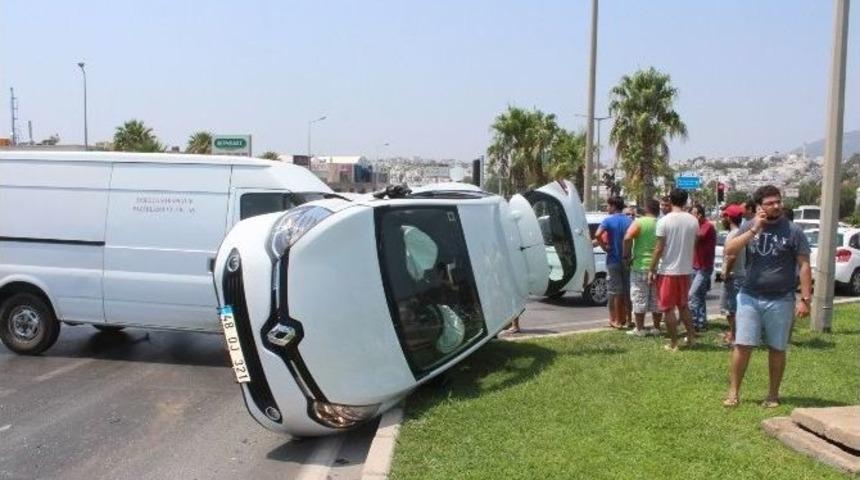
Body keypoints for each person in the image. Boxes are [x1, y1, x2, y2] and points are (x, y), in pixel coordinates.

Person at [723, 185, 812, 408]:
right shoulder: (749, 224)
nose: (776, 206)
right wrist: (755, 229)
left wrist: (805, 299)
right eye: (770, 203)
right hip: (749, 295)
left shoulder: (794, 231)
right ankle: (733, 393)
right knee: (742, 345)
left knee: (777, 347)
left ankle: (773, 395)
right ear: (760, 207)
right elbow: (730, 250)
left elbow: (804, 266)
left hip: (781, 298)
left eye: (778, 202)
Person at [648, 188, 698, 351]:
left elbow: (658, 248)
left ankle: (674, 343)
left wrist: (652, 268)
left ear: (670, 200)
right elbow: (694, 243)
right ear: (685, 201)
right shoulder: (693, 221)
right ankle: (691, 337)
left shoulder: (664, 221)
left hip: (668, 270)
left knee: (668, 308)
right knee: (684, 305)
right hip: (686, 270)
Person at [623, 198, 663, 336]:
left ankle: (640, 329)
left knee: (639, 296)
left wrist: (626, 256)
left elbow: (627, 238)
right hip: (659, 266)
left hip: (640, 265)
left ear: (646, 209)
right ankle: (656, 327)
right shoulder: (661, 223)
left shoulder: (639, 222)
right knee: (656, 298)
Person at [595, 196, 633, 329]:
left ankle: (616, 320)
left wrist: (605, 248)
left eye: (608, 206)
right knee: (627, 290)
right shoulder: (629, 221)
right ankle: (628, 319)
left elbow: (598, 234)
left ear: (613, 206)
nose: (607, 208)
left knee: (616, 291)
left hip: (613, 260)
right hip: (627, 259)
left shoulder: (608, 221)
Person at [719, 204, 746, 345]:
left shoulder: (732, 235)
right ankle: (734, 334)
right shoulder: (742, 232)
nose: (722, 219)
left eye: (724, 216)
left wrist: (726, 273)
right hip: (740, 274)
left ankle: (734, 338)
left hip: (733, 276)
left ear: (729, 218)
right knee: (735, 309)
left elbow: (731, 257)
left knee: (731, 309)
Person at [689, 204, 717, 331]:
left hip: (704, 267)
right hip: (695, 266)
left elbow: (697, 238)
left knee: (693, 294)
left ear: (699, 215)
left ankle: (695, 322)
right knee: (699, 296)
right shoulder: (698, 226)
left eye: (693, 214)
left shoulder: (707, 226)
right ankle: (701, 322)